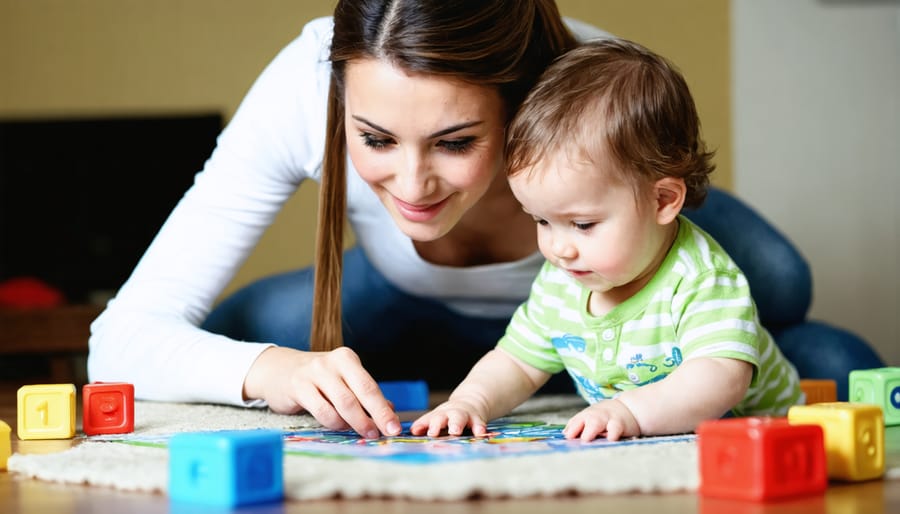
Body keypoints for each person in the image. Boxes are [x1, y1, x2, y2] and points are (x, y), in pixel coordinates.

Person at [87, 0, 882, 440]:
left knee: (789, 294)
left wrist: (639, 406)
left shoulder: (583, 86)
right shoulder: (305, 85)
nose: (413, 184)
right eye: (374, 140)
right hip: (419, 299)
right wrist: (276, 369)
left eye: (457, 141)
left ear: (526, 109)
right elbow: (123, 340)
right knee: (242, 332)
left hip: (604, 302)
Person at [410, 38, 803, 441]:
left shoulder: (700, 277)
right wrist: (470, 401)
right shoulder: (561, 281)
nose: (559, 248)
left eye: (582, 224)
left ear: (663, 200)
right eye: (542, 221)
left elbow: (720, 378)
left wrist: (629, 412)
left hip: (768, 430)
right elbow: (517, 362)